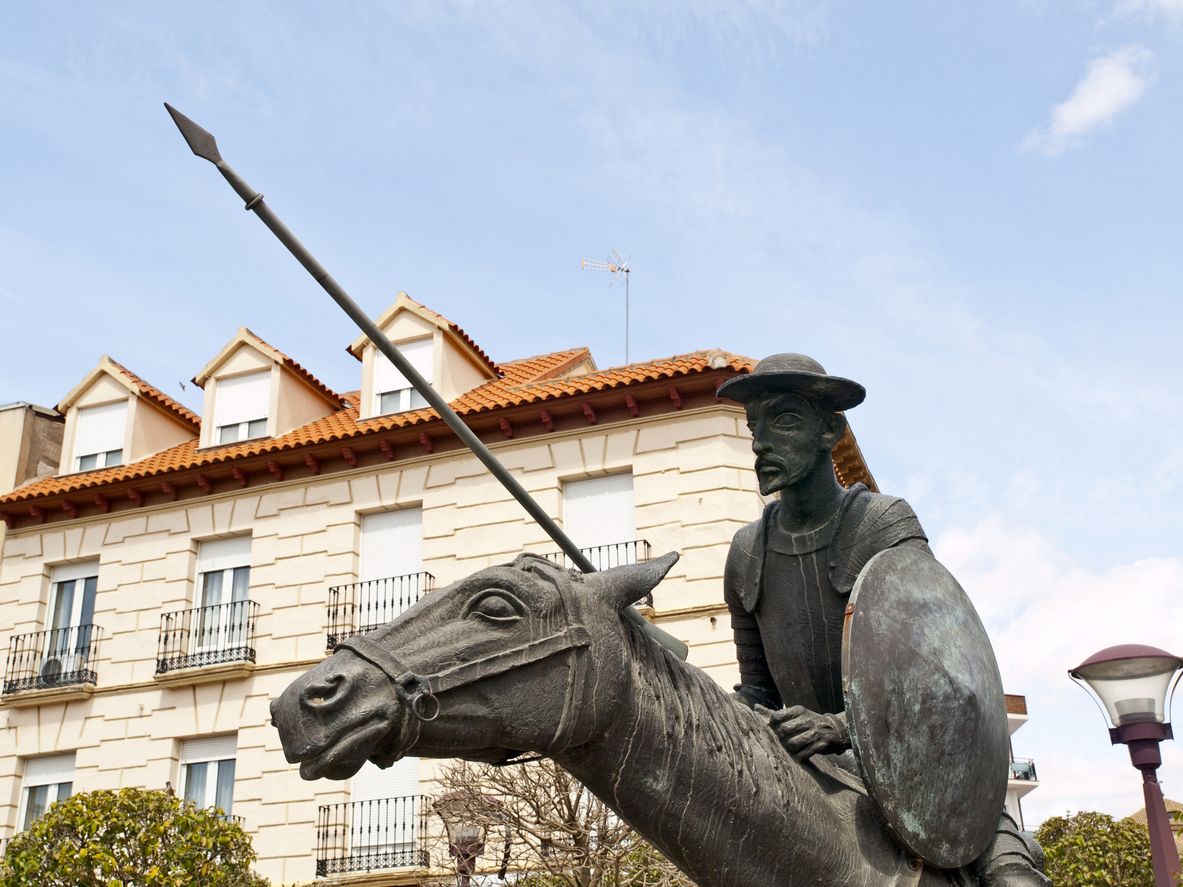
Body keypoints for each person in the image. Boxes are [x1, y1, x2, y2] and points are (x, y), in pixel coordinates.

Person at [718, 353, 1048, 887]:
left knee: (1010, 880)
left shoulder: (882, 524)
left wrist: (838, 728)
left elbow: (937, 682)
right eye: (754, 426)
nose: (760, 442)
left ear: (831, 429)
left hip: (915, 772)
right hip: (808, 771)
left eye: (783, 420)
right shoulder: (745, 554)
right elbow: (757, 691)